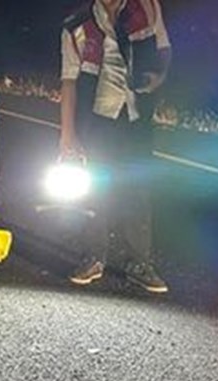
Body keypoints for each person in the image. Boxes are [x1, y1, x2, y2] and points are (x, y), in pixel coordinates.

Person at [60, 0, 172, 293]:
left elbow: (164, 48)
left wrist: (160, 76)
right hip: (98, 117)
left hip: (136, 116)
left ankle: (140, 264)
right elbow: (69, 81)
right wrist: (67, 135)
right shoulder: (76, 24)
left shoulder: (146, 6)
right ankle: (94, 257)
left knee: (138, 189)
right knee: (96, 188)